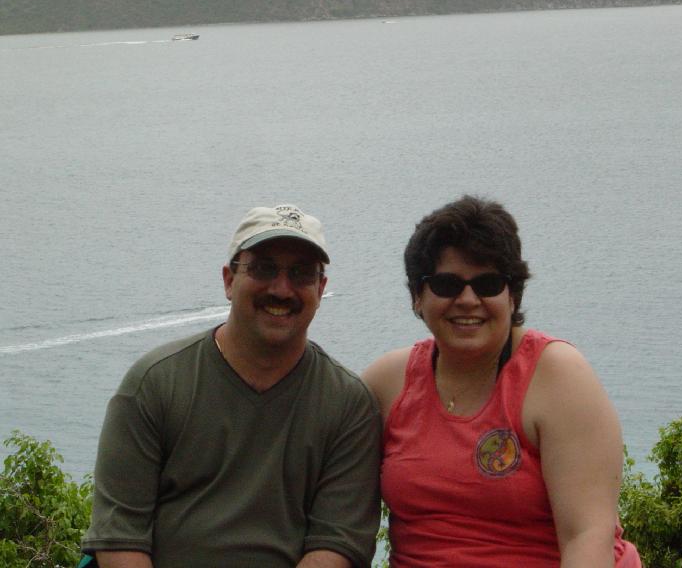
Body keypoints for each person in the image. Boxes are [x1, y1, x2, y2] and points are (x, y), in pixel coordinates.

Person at [81, 204, 382, 568]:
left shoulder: (347, 405)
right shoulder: (155, 383)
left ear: (321, 288)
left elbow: (337, 546)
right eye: (263, 268)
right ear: (228, 280)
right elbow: (120, 538)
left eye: (301, 273)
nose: (281, 289)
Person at [362, 195, 641, 567]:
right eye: (446, 284)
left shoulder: (556, 377)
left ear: (513, 295)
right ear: (417, 296)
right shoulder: (388, 384)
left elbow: (587, 536)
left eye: (488, 284)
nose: (467, 299)